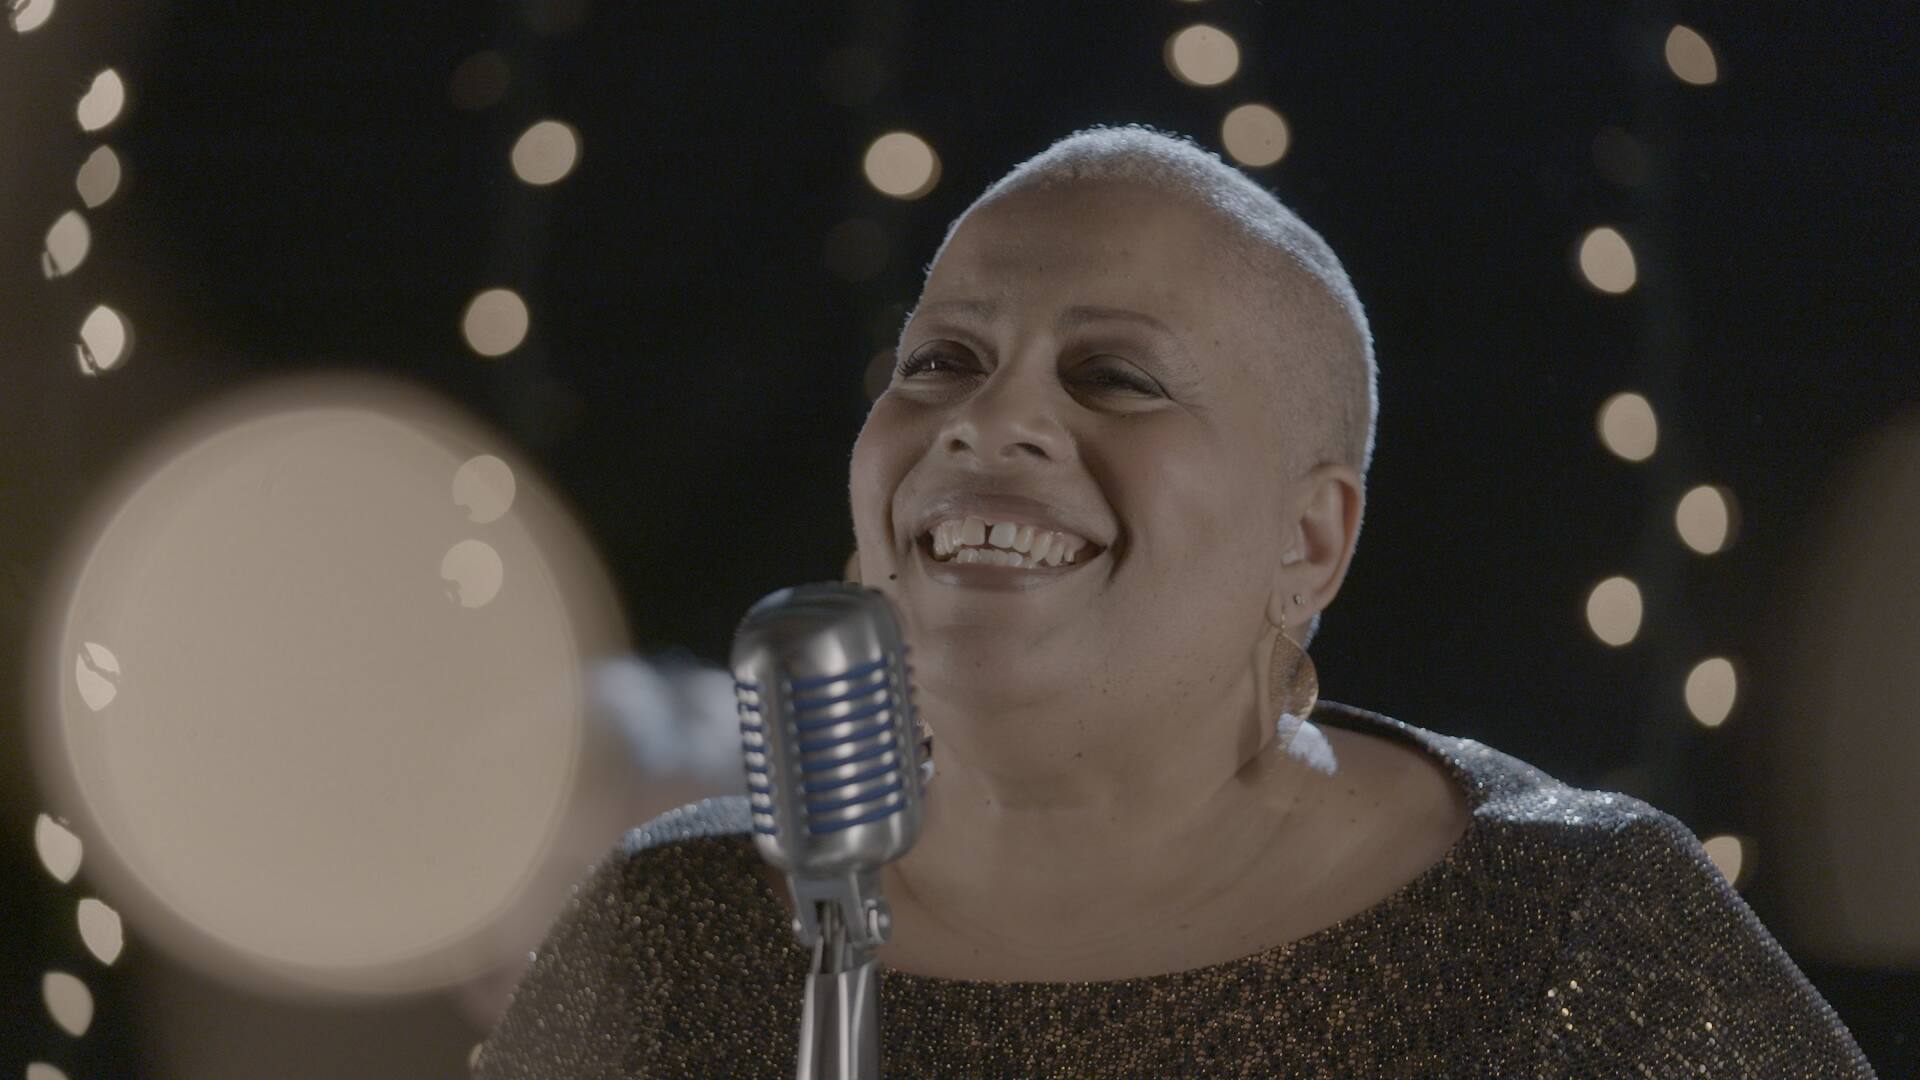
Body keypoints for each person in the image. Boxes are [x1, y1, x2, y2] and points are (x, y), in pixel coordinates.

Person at [475, 125, 1875, 1077]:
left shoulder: (1578, 921)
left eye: (1116, 377)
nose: (987, 420)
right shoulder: (670, 929)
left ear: (1309, 543)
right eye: (942, 359)